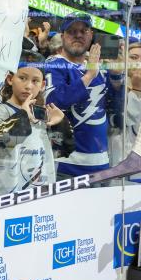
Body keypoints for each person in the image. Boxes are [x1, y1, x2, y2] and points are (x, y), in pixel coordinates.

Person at [44, 12, 118, 179]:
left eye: (83, 31)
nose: (78, 35)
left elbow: (115, 111)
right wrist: (89, 75)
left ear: (91, 35)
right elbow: (55, 102)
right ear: (62, 37)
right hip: (68, 165)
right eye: (71, 31)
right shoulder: (54, 64)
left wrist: (117, 77)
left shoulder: (98, 67)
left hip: (102, 162)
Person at [0, 60, 64, 196]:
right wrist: (22, 117)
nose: (28, 86)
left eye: (35, 81)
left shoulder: (42, 114)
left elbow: (63, 151)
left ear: (43, 85)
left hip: (38, 193)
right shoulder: (1, 111)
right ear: (10, 79)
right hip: (5, 195)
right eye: (22, 78)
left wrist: (61, 124)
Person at [107, 42, 141, 184]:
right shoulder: (110, 87)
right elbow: (125, 121)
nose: (139, 63)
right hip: (114, 167)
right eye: (134, 57)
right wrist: (136, 90)